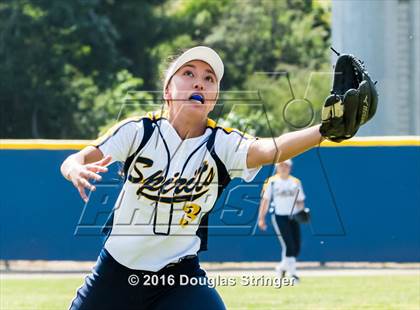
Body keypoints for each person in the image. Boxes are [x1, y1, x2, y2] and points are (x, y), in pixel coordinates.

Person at [60, 46, 353, 309]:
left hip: (178, 277)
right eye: (188, 73)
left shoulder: (222, 144)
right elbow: (80, 157)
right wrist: (74, 166)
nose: (199, 81)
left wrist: (325, 130)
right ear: (167, 92)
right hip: (117, 272)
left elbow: (268, 150)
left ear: (213, 99)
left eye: (209, 78)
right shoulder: (140, 132)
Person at [257, 159, 305, 282]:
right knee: (289, 244)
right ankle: (293, 274)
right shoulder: (272, 182)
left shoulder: (295, 182)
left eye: (286, 165)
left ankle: (281, 267)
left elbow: (300, 200)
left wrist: (302, 212)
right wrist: (261, 218)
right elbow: (265, 200)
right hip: (279, 216)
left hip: (293, 216)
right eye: (281, 165)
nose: (284, 168)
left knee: (296, 247)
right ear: (277, 167)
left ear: (290, 167)